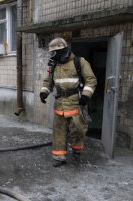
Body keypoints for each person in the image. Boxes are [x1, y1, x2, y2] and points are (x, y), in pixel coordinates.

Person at [40, 37, 97, 167]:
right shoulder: (53, 64)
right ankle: (59, 157)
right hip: (60, 103)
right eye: (53, 53)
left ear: (64, 50)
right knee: (59, 130)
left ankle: (77, 153)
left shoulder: (79, 62)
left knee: (77, 130)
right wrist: (44, 92)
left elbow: (91, 80)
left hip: (76, 103)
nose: (54, 55)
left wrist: (86, 95)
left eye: (56, 52)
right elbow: (48, 82)